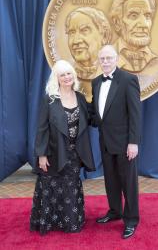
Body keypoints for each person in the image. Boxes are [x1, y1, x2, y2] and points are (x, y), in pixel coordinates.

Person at [30, 60, 95, 235]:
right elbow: (42, 128)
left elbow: (89, 120)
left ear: (73, 75)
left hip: (74, 154)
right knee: (50, 186)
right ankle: (49, 222)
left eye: (69, 73)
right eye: (62, 74)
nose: (67, 77)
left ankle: (71, 222)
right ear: (56, 78)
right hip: (53, 151)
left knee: (70, 187)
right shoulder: (50, 99)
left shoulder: (80, 98)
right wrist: (41, 155)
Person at [90, 45, 141, 239]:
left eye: (109, 58)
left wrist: (133, 142)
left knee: (128, 183)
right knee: (110, 181)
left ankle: (131, 219)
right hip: (105, 141)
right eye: (102, 58)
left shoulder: (128, 80)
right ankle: (115, 211)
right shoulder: (96, 82)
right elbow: (97, 115)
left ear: (116, 58)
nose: (105, 61)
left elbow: (135, 114)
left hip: (125, 143)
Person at [110, 0, 158, 73]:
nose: (144, 25)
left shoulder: (157, 61)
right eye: (134, 16)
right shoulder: (105, 57)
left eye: (147, 16)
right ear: (117, 22)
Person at [65, 7, 112, 80]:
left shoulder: (115, 72)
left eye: (84, 30)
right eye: (72, 33)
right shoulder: (66, 73)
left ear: (104, 36)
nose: (76, 41)